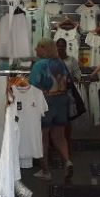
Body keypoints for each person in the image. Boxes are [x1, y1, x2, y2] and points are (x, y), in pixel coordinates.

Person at [30, 38, 72, 181]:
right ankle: (67, 161)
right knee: (60, 136)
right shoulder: (60, 63)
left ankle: (45, 171)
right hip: (62, 101)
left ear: (44, 48)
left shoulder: (39, 65)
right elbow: (68, 81)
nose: (35, 49)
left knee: (43, 137)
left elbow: (33, 86)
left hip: (45, 103)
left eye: (38, 47)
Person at [57, 38, 81, 149]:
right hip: (54, 94)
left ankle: (67, 142)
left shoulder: (72, 60)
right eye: (58, 46)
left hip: (67, 94)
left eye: (62, 46)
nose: (60, 48)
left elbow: (77, 73)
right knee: (56, 121)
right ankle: (57, 144)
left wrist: (72, 80)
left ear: (66, 47)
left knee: (67, 120)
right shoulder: (52, 61)